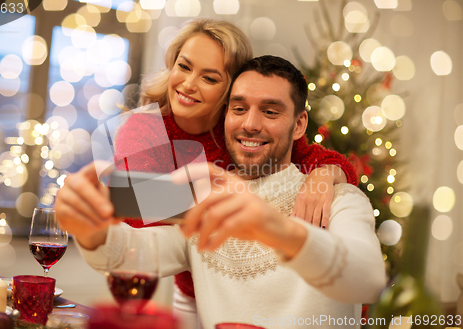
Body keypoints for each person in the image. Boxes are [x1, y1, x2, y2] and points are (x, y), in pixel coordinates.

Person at [58, 55, 386, 328]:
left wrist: (276, 228)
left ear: (299, 124)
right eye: (239, 108)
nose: (250, 124)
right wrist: (91, 230)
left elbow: (367, 279)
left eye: (270, 111)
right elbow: (128, 252)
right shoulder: (208, 195)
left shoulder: (339, 197)